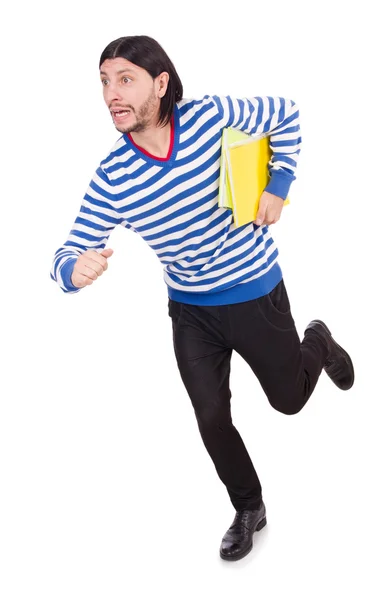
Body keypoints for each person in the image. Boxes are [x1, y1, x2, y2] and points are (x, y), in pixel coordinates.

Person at [50, 35, 354, 562]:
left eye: (126, 79)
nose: (111, 94)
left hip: (255, 289)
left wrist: (278, 186)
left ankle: (319, 341)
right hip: (192, 312)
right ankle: (249, 507)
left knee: (289, 401)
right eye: (104, 81)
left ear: (161, 83)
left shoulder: (209, 117)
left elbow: (287, 114)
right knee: (211, 416)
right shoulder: (114, 176)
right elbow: (69, 248)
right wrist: (73, 270)